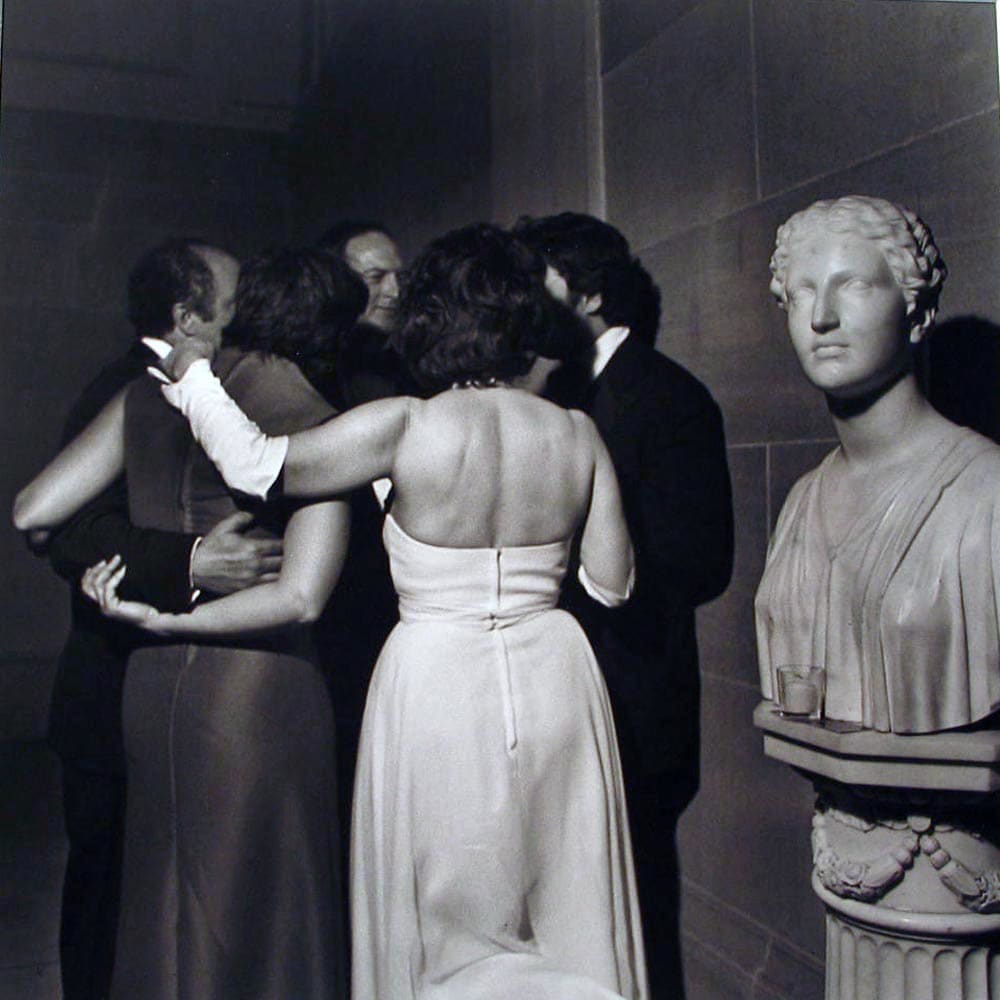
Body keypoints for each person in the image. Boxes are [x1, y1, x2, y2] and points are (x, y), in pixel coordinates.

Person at [87, 223, 649, 1000]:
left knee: (441, 904)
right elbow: (612, 585)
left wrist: (195, 380)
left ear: (430, 322)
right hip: (555, 674)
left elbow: (256, 465)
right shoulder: (578, 433)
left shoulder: (406, 425)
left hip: (436, 677)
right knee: (559, 892)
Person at [14, 239, 365, 999]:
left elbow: (35, 512)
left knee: (163, 903)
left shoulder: (143, 394)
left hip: (150, 686)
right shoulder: (309, 415)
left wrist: (163, 578)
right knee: (262, 909)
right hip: (258, 684)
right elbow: (304, 598)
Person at [514, 212, 734, 1000]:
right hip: (561, 703)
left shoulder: (669, 396)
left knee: (637, 923)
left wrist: (583, 561)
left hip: (634, 705)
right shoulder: (553, 393)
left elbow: (704, 563)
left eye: (535, 289)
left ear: (590, 295)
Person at [32, 338, 283, 1000]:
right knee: (111, 894)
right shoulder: (134, 390)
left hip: (196, 683)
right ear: (188, 314)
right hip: (122, 683)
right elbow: (50, 523)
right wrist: (188, 563)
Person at [756, 195, 1000, 733]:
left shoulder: (987, 496)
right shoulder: (802, 501)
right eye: (802, 293)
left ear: (919, 313)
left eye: (855, 286)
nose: (822, 317)